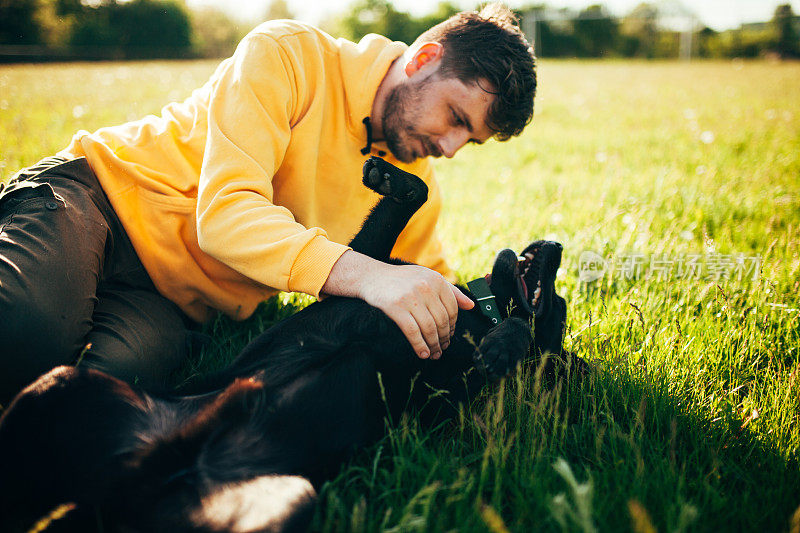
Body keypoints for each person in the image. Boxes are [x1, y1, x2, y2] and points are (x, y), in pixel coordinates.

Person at [0, 3, 536, 399]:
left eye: (471, 141)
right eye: (457, 118)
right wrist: (366, 275)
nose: (450, 147)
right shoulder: (288, 54)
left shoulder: (414, 180)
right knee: (24, 332)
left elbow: (434, 292)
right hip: (98, 201)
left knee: (92, 398)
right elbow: (226, 214)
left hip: (169, 302)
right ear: (423, 59)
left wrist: (508, 318)